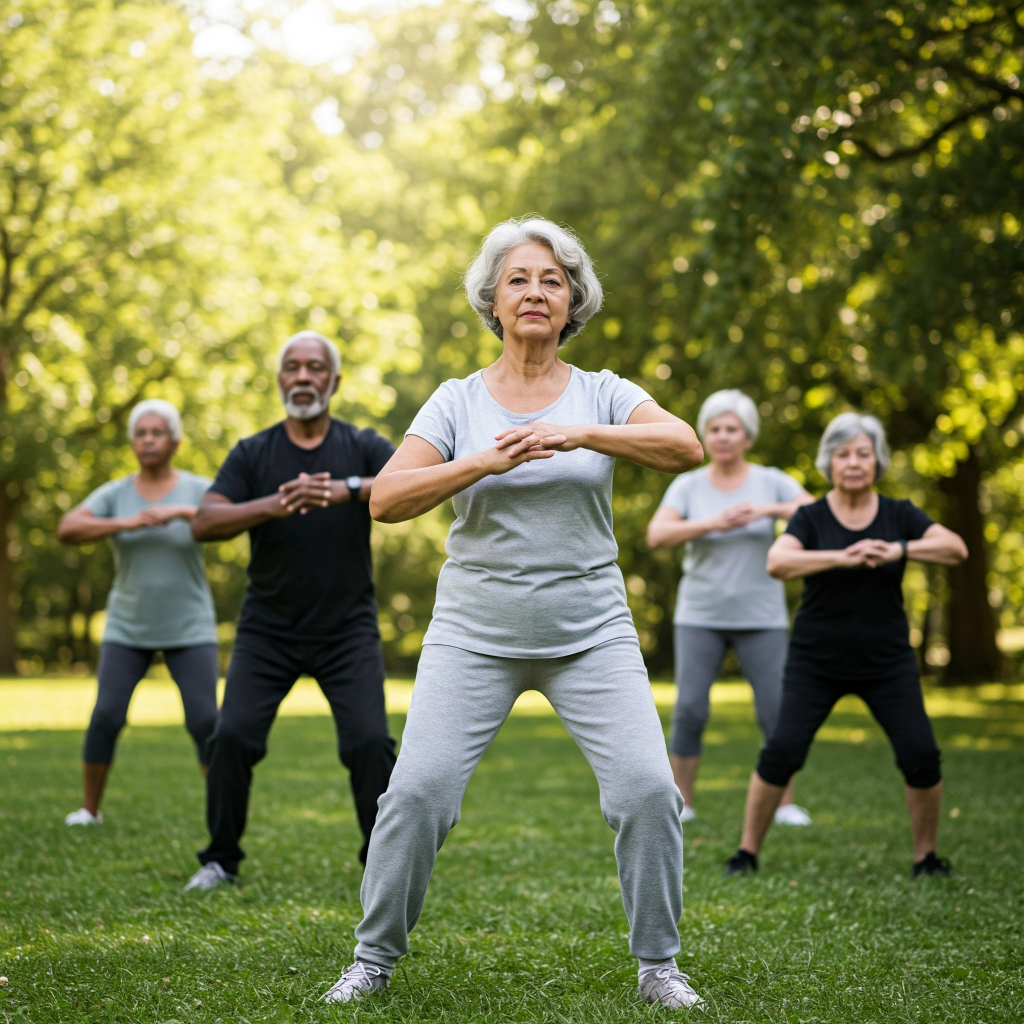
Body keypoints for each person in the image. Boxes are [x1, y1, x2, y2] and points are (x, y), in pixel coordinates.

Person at [321, 217, 707, 1010]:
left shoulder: (604, 392)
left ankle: (659, 967)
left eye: (553, 280)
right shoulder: (456, 400)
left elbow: (685, 446)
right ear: (492, 300)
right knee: (417, 792)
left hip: (591, 631)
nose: (536, 291)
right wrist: (482, 460)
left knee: (646, 790)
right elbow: (386, 499)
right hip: (474, 633)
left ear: (573, 304)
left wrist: (580, 432)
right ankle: (372, 960)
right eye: (520, 279)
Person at [183, 331, 397, 891]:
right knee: (231, 737)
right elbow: (204, 522)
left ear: (334, 381)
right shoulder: (254, 452)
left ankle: (381, 864)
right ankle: (220, 860)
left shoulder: (360, 445)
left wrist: (346, 489)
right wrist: (275, 504)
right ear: (280, 380)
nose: (303, 377)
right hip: (268, 630)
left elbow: (411, 484)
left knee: (369, 743)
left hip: (346, 629)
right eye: (293, 368)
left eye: (315, 368)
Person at [723, 412, 968, 879]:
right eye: (842, 454)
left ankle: (926, 858)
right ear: (828, 463)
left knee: (921, 754)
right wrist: (843, 556)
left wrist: (900, 549)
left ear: (877, 462)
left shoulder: (900, 515)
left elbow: (955, 548)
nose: (853, 463)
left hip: (887, 660)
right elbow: (778, 561)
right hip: (816, 660)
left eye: (863, 453)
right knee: (783, 751)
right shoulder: (811, 516)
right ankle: (746, 853)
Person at [647, 389, 815, 825]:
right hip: (700, 615)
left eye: (732, 429)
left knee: (775, 709)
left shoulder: (771, 480)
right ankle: (683, 800)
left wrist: (768, 510)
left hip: (762, 617)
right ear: (706, 434)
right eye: (715, 428)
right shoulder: (688, 484)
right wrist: (714, 522)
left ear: (747, 436)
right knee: (690, 709)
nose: (722, 436)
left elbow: (816, 513)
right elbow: (657, 535)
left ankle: (785, 803)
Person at [57, 400, 218, 826]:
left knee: (205, 720)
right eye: (141, 434)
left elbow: (235, 517)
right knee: (106, 715)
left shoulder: (199, 489)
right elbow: (68, 527)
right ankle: (89, 811)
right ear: (132, 443)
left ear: (175, 441)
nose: (148, 440)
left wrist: (180, 512)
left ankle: (221, 814)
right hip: (128, 625)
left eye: (157, 432)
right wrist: (125, 523)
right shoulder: (116, 494)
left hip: (190, 626)